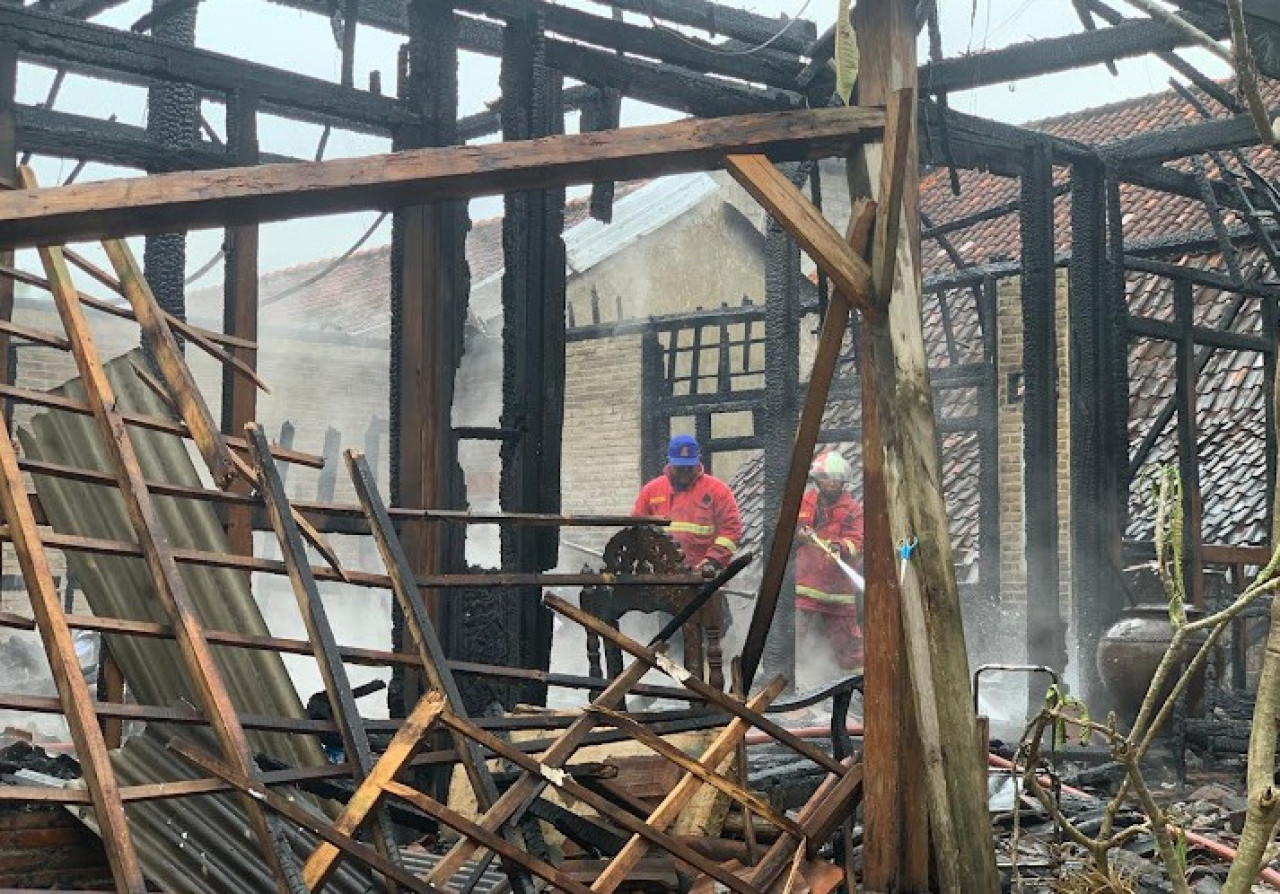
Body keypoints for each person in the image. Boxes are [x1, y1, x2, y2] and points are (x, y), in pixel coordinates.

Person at [794, 450, 866, 670]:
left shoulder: (853, 510)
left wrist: (839, 547)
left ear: (843, 481)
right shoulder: (805, 502)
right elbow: (790, 527)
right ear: (818, 480)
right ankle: (793, 686)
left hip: (839, 593)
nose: (831, 484)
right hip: (805, 589)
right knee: (792, 641)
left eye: (835, 480)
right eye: (826, 479)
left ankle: (859, 689)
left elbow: (858, 540)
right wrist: (798, 532)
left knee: (851, 650)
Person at [633, 434, 743, 576]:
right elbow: (636, 528)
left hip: (704, 576)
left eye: (689, 467)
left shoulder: (718, 491)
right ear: (669, 463)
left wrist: (712, 560)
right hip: (661, 575)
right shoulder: (651, 491)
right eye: (680, 468)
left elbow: (730, 531)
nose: (685, 472)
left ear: (697, 463)